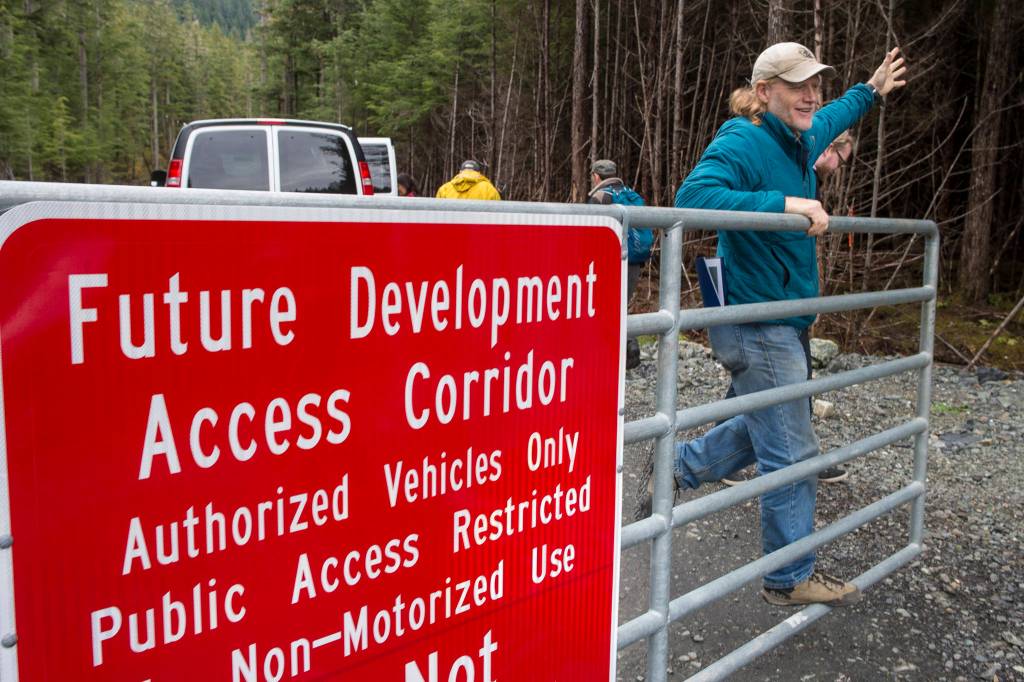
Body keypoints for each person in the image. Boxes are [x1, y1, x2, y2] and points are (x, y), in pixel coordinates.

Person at [645, 42, 906, 608]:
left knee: (766, 424)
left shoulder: (802, 133)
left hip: (785, 321)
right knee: (792, 451)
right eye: (797, 85)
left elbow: (835, 114)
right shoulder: (743, 137)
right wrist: (786, 204)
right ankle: (788, 578)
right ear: (764, 93)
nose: (811, 94)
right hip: (757, 323)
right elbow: (691, 196)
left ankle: (678, 465)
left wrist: (871, 90)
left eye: (815, 83)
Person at [720, 130, 855, 487]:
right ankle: (798, 460)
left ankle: (697, 460)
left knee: (772, 379)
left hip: (787, 293)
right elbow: (699, 197)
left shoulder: (803, 172)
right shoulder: (771, 159)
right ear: (830, 149)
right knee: (784, 378)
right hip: (765, 293)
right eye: (840, 159)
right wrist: (788, 206)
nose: (839, 168)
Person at [586, 159, 653, 369]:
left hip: (608, 262)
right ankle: (629, 355)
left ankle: (609, 357)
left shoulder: (599, 197)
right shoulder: (630, 194)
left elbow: (590, 235)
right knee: (621, 305)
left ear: (596, 176)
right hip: (633, 261)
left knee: (603, 307)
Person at [435, 160, 501, 200]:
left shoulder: (445, 189)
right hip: (479, 222)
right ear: (479, 173)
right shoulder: (488, 188)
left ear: (460, 172)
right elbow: (497, 213)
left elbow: (437, 212)